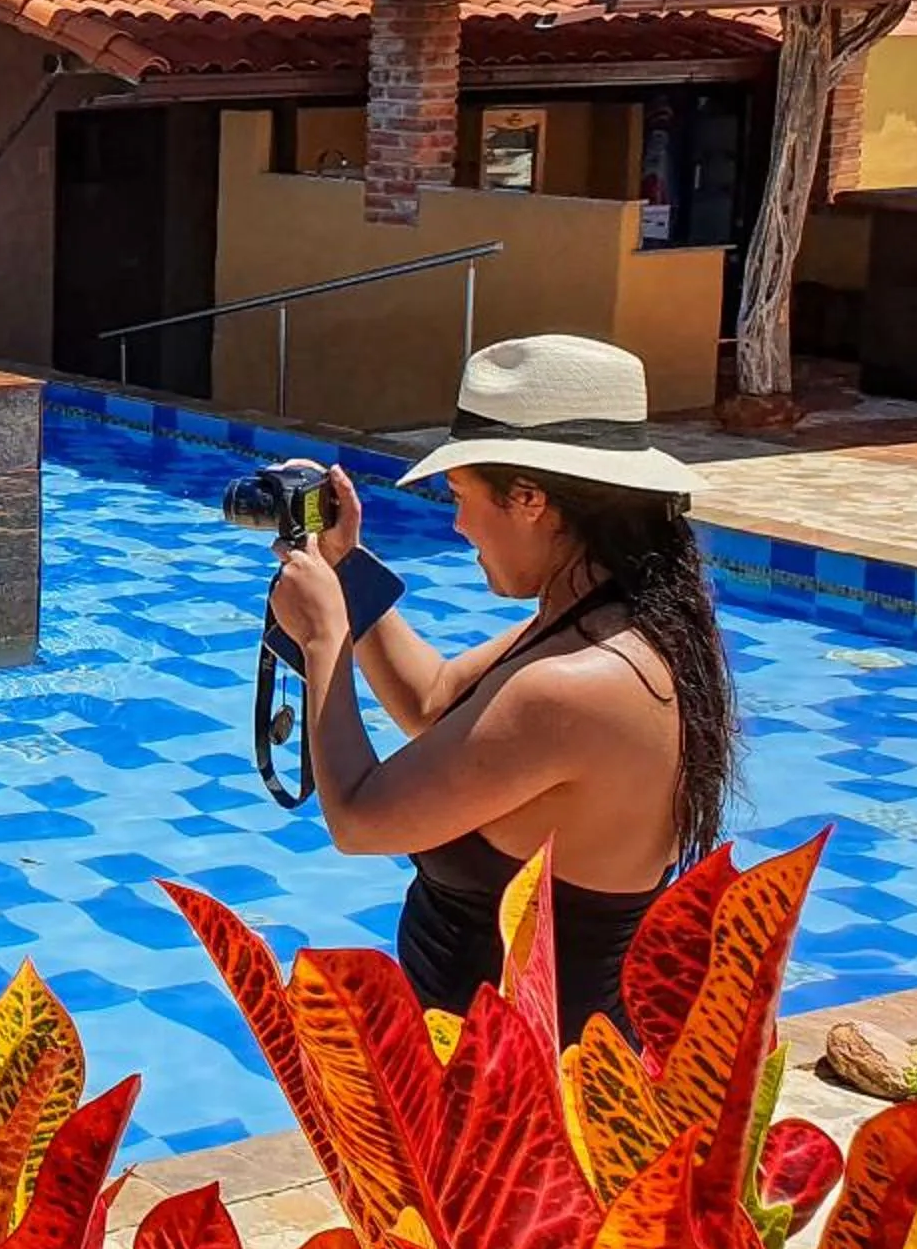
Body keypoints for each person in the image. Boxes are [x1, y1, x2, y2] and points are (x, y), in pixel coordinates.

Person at [266, 335, 735, 1038]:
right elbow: (433, 702)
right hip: (503, 1068)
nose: (456, 525)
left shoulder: (577, 687)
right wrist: (344, 564)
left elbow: (361, 820)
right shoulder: (607, 624)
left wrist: (325, 637)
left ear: (529, 499)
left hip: (521, 1100)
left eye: (460, 496)